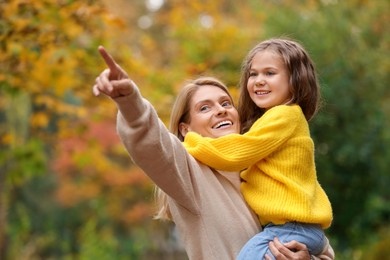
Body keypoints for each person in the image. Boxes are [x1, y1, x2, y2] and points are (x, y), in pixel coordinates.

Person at [92, 45, 335, 259]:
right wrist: (129, 100)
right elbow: (154, 143)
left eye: (226, 103)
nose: (220, 110)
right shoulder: (189, 171)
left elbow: (318, 244)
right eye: (204, 108)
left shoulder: (263, 165)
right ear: (185, 129)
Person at [183, 38, 333, 259]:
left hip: (291, 227)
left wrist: (191, 142)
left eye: (270, 73)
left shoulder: (285, 114)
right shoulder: (270, 122)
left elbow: (236, 153)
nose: (259, 81)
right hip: (292, 228)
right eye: (253, 74)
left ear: (295, 80)